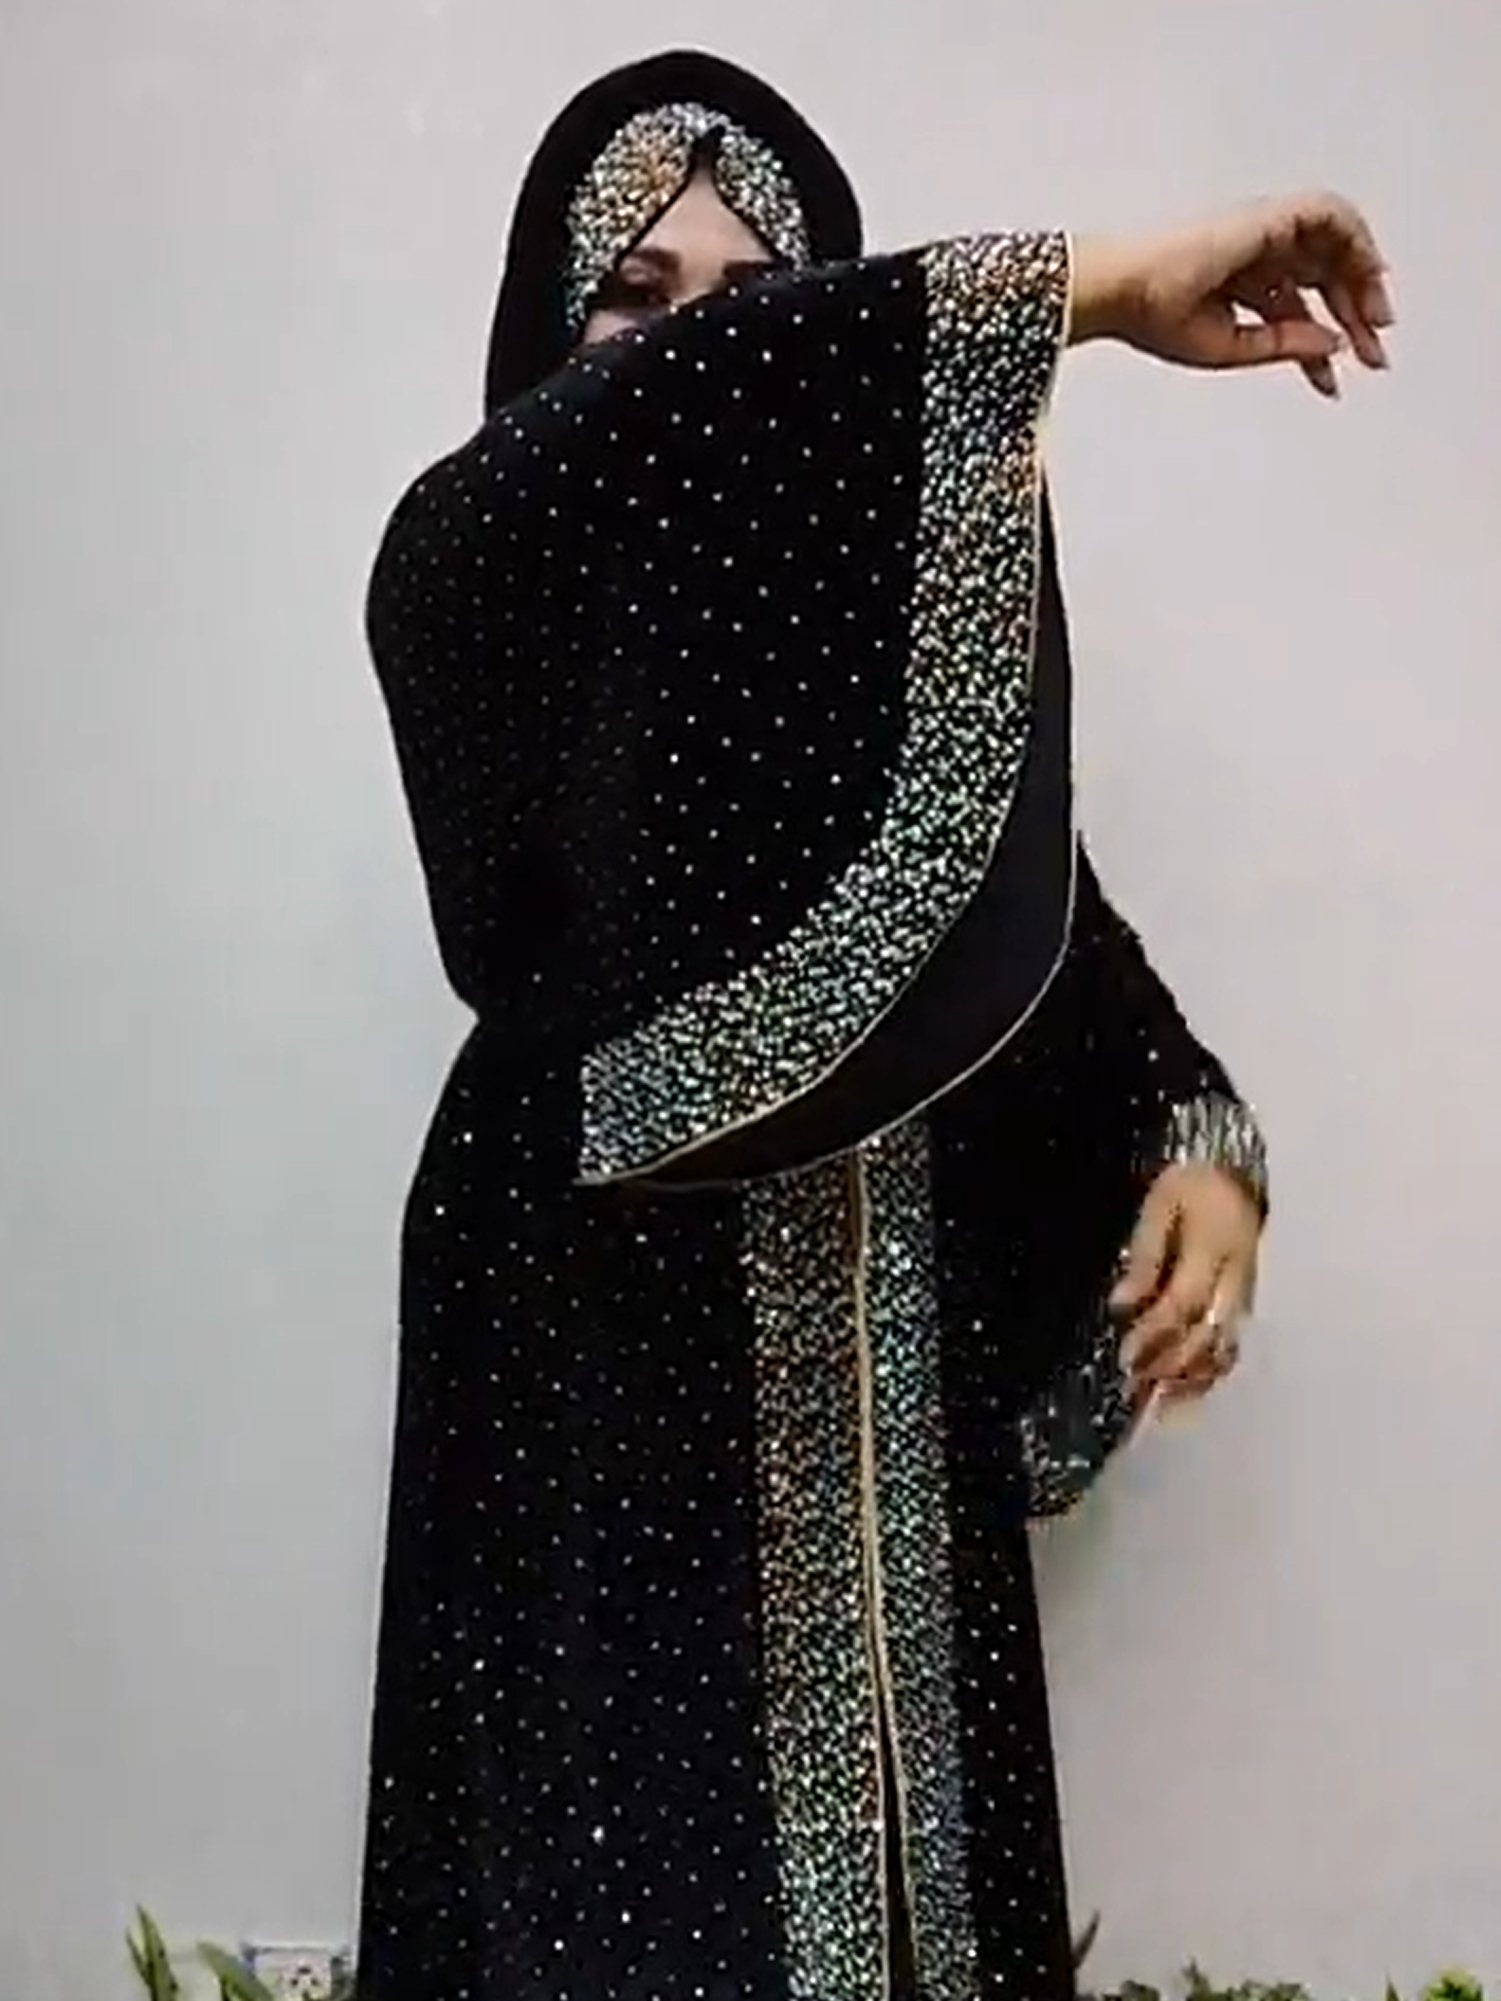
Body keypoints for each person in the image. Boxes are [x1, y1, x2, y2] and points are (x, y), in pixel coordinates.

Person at [355, 48, 1391, 2001]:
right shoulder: (483, 567)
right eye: (634, 301)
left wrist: (1199, 1152)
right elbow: (634, 451)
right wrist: (1086, 285)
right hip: (584, 1388)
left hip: (894, 1451)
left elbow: (1061, 963)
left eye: (765, 304)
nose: (699, 352)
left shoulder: (893, 750)